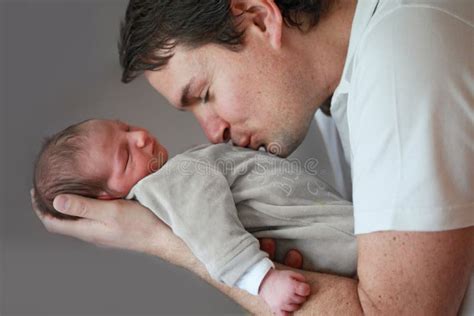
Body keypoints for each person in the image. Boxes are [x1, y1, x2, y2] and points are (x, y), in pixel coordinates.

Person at [32, 0, 474, 315]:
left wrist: (163, 240)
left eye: (204, 94)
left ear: (260, 17)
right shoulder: (338, 89)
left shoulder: (399, 64)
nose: (211, 131)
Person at [33, 118, 357, 314]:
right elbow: (211, 233)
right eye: (125, 155)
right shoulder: (166, 182)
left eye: (125, 128)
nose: (140, 138)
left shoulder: (179, 174)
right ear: (108, 198)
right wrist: (262, 281)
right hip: (336, 237)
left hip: (328, 235)